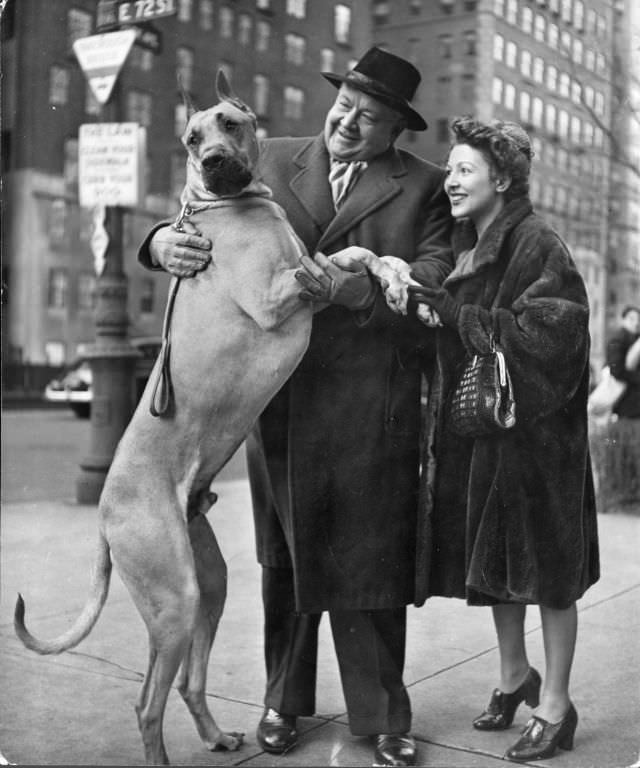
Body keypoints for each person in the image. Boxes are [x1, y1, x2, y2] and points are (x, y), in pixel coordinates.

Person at [138, 48, 453, 767]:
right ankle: (284, 702)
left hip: (374, 405)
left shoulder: (425, 187)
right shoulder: (262, 154)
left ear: (396, 131)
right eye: (345, 105)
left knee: (372, 563)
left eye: (370, 117)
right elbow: (187, 213)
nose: (349, 121)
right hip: (278, 400)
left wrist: (357, 291)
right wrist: (159, 245)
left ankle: (382, 718)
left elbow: (432, 280)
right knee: (284, 561)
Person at [407, 117, 599, 762]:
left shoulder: (537, 240)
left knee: (549, 575)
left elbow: (556, 336)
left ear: (504, 178)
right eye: (451, 169)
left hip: (542, 444)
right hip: (493, 434)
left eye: (464, 169)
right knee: (497, 571)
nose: (451, 180)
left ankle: (557, 705)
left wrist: (459, 314)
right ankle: (516, 678)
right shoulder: (476, 242)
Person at [606, 305, 640, 419]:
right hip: (626, 404)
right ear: (623, 320)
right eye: (632, 319)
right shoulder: (618, 339)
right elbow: (617, 370)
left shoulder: (634, 339)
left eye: (638, 320)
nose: (636, 323)